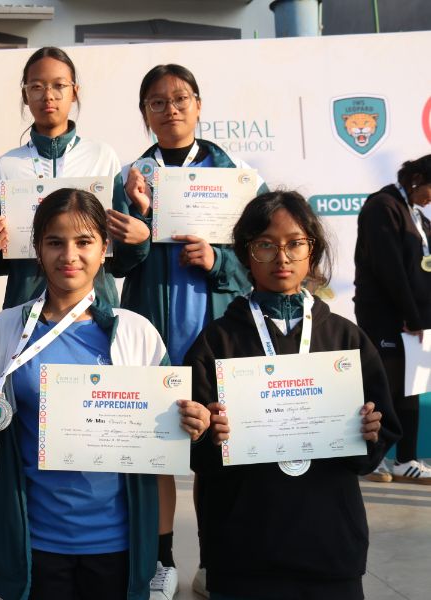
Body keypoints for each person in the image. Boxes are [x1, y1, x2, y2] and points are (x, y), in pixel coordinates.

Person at [0, 188, 210, 600]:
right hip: (35, 542)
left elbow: (166, 440)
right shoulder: (5, 331)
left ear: (105, 248)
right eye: (55, 242)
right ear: (38, 249)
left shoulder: (136, 332)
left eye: (84, 242)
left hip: (119, 545)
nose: (69, 255)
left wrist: (192, 425)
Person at [186, 190, 400, 599]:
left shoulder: (345, 338)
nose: (281, 258)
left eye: (295, 243)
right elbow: (194, 452)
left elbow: (380, 435)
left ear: (311, 250)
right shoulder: (217, 341)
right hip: (243, 551)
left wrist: (369, 434)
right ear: (245, 254)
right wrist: (207, 435)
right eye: (265, 245)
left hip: (330, 548)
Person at [111, 63, 269, 599]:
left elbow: (265, 257)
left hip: (216, 339)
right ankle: (162, 562)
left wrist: (219, 260)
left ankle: (213, 562)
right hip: (152, 339)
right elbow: (111, 264)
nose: (170, 109)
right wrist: (137, 236)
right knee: (156, 454)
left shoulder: (236, 176)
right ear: (145, 113)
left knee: (215, 456)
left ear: (199, 105)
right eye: (157, 102)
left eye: (180, 99)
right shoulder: (131, 178)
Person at [0, 46, 149, 310]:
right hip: (27, 311)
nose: (48, 95)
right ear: (25, 95)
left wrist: (139, 241)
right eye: (37, 87)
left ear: (74, 92)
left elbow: (119, 261)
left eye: (59, 85)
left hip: (94, 310)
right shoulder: (6, 166)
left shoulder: (102, 156)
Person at [355, 154, 431, 484]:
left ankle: (405, 459)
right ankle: (370, 460)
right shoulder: (382, 207)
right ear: (416, 179)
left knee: (410, 388)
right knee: (381, 387)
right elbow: (390, 269)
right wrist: (411, 315)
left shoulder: (417, 215)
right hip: (385, 316)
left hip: (413, 320)